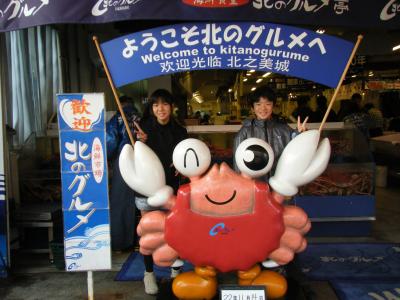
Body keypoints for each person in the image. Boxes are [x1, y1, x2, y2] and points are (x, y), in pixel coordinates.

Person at [136, 89, 188, 295]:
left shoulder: (180, 131)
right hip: (146, 190)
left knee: (174, 231)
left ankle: (176, 270)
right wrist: (139, 141)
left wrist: (182, 165)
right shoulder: (143, 129)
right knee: (149, 233)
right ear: (151, 108)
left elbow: (187, 156)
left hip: (172, 190)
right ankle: (149, 273)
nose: (160, 108)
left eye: (165, 104)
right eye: (156, 105)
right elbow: (132, 154)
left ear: (172, 107)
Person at [233, 86, 308, 180]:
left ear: (273, 105)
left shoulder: (284, 129)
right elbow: (237, 167)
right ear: (253, 107)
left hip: (279, 185)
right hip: (255, 188)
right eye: (258, 104)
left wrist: (301, 136)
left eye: (268, 104)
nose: (263, 108)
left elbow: (297, 155)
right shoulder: (244, 132)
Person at [106, 96, 144, 252]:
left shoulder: (117, 119)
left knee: (120, 203)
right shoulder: (142, 118)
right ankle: (141, 242)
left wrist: (107, 158)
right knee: (142, 202)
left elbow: (110, 143)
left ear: (119, 105)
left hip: (123, 162)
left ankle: (121, 243)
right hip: (142, 161)